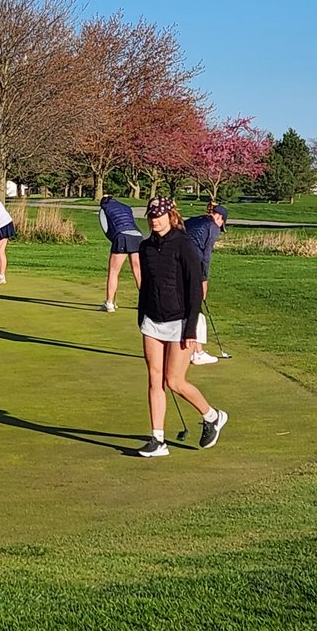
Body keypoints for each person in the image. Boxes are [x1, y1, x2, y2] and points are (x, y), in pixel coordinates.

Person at [135, 197, 228, 458]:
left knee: (173, 380)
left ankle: (212, 416)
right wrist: (141, 317)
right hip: (152, 321)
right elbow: (147, 286)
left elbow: (195, 292)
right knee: (154, 379)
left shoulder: (184, 244)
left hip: (181, 321)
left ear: (170, 216)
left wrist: (190, 330)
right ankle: (157, 440)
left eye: (160, 215)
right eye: (151, 215)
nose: (155, 219)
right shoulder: (146, 248)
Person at [184, 202, 228, 366]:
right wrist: (204, 280)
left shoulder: (192, 221)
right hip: (193, 266)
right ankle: (198, 353)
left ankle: (187, 350)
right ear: (219, 217)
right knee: (196, 309)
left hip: (176, 264)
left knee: (185, 307)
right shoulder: (213, 226)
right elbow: (206, 256)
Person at [98, 194, 143, 312]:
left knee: (113, 272)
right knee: (138, 272)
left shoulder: (104, 209)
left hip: (122, 236)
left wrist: (115, 240)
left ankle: (109, 303)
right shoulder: (126, 207)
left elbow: (106, 228)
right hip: (137, 236)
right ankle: (145, 303)